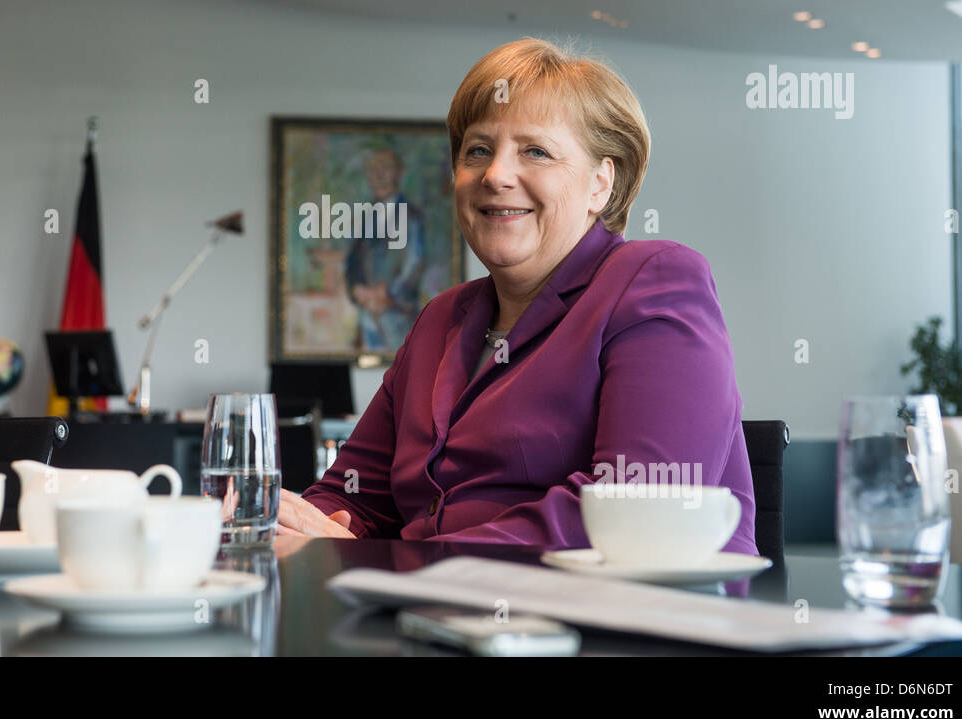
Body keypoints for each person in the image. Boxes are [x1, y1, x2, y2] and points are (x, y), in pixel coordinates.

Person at [279, 37, 758, 555]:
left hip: (625, 626)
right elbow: (354, 498)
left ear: (601, 183)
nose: (495, 175)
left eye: (535, 151)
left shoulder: (654, 280)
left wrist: (411, 560)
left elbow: (640, 511)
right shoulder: (440, 319)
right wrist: (285, 522)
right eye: (478, 150)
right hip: (435, 619)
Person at [344, 148, 426, 353]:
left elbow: (414, 264)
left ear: (399, 173)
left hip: (398, 317)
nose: (379, 175)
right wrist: (356, 289)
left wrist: (389, 293)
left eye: (385, 168)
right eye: (373, 170)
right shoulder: (364, 217)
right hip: (367, 317)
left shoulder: (412, 216)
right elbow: (352, 260)